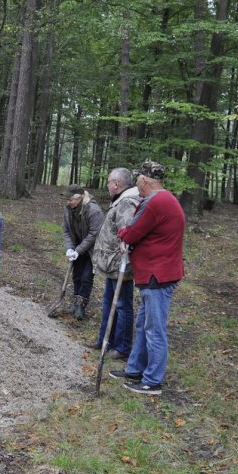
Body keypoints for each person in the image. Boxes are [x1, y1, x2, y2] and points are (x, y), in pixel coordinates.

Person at [109, 161, 185, 395]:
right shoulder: (161, 199)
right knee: (143, 325)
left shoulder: (157, 202)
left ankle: (152, 380)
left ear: (144, 180)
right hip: (153, 273)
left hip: (157, 275)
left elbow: (132, 232)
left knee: (154, 328)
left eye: (138, 180)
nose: (136, 185)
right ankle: (135, 369)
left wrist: (124, 235)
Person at [90, 167, 141, 359]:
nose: (107, 185)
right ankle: (105, 340)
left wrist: (123, 250)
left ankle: (122, 347)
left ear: (117, 184)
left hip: (121, 263)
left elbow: (127, 232)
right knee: (109, 302)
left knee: (121, 304)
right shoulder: (121, 200)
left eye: (109, 181)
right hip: (112, 263)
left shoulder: (127, 202)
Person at [61, 183, 103, 320]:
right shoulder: (68, 209)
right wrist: (69, 248)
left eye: (70, 199)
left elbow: (94, 234)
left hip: (93, 249)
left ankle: (81, 306)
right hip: (77, 246)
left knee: (86, 277)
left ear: (79, 197)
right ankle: (75, 302)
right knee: (77, 276)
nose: (68, 202)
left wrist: (78, 250)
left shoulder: (93, 210)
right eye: (67, 199)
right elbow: (66, 230)